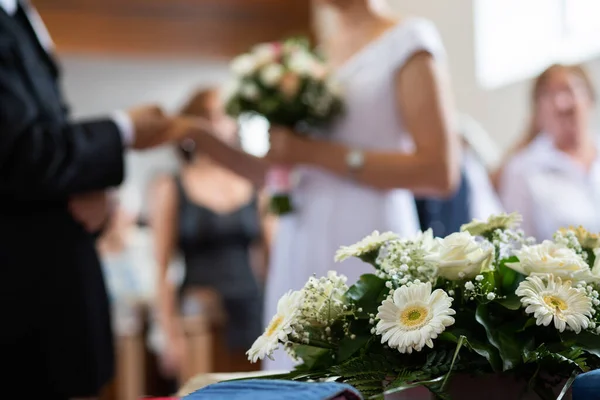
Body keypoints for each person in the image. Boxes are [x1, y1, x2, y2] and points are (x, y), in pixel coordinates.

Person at [173, 0, 459, 373]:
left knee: (370, 373)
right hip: (300, 239)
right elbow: (276, 172)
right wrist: (197, 134)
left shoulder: (408, 39)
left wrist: (314, 152)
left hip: (367, 237)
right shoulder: (313, 56)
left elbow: (439, 171)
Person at [0, 1, 186, 398]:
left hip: (50, 314)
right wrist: (123, 130)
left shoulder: (20, 15)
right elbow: (18, 153)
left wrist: (89, 189)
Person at [150, 89, 272, 381]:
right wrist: (170, 334)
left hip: (253, 310)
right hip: (197, 316)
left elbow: (271, 259)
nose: (217, 124)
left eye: (223, 115)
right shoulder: (171, 185)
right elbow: (162, 267)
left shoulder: (256, 185)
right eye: (207, 117)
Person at [498, 64, 600, 240]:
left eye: (569, 89)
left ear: (589, 97)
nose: (561, 103)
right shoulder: (523, 169)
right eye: (549, 95)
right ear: (538, 111)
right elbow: (517, 245)